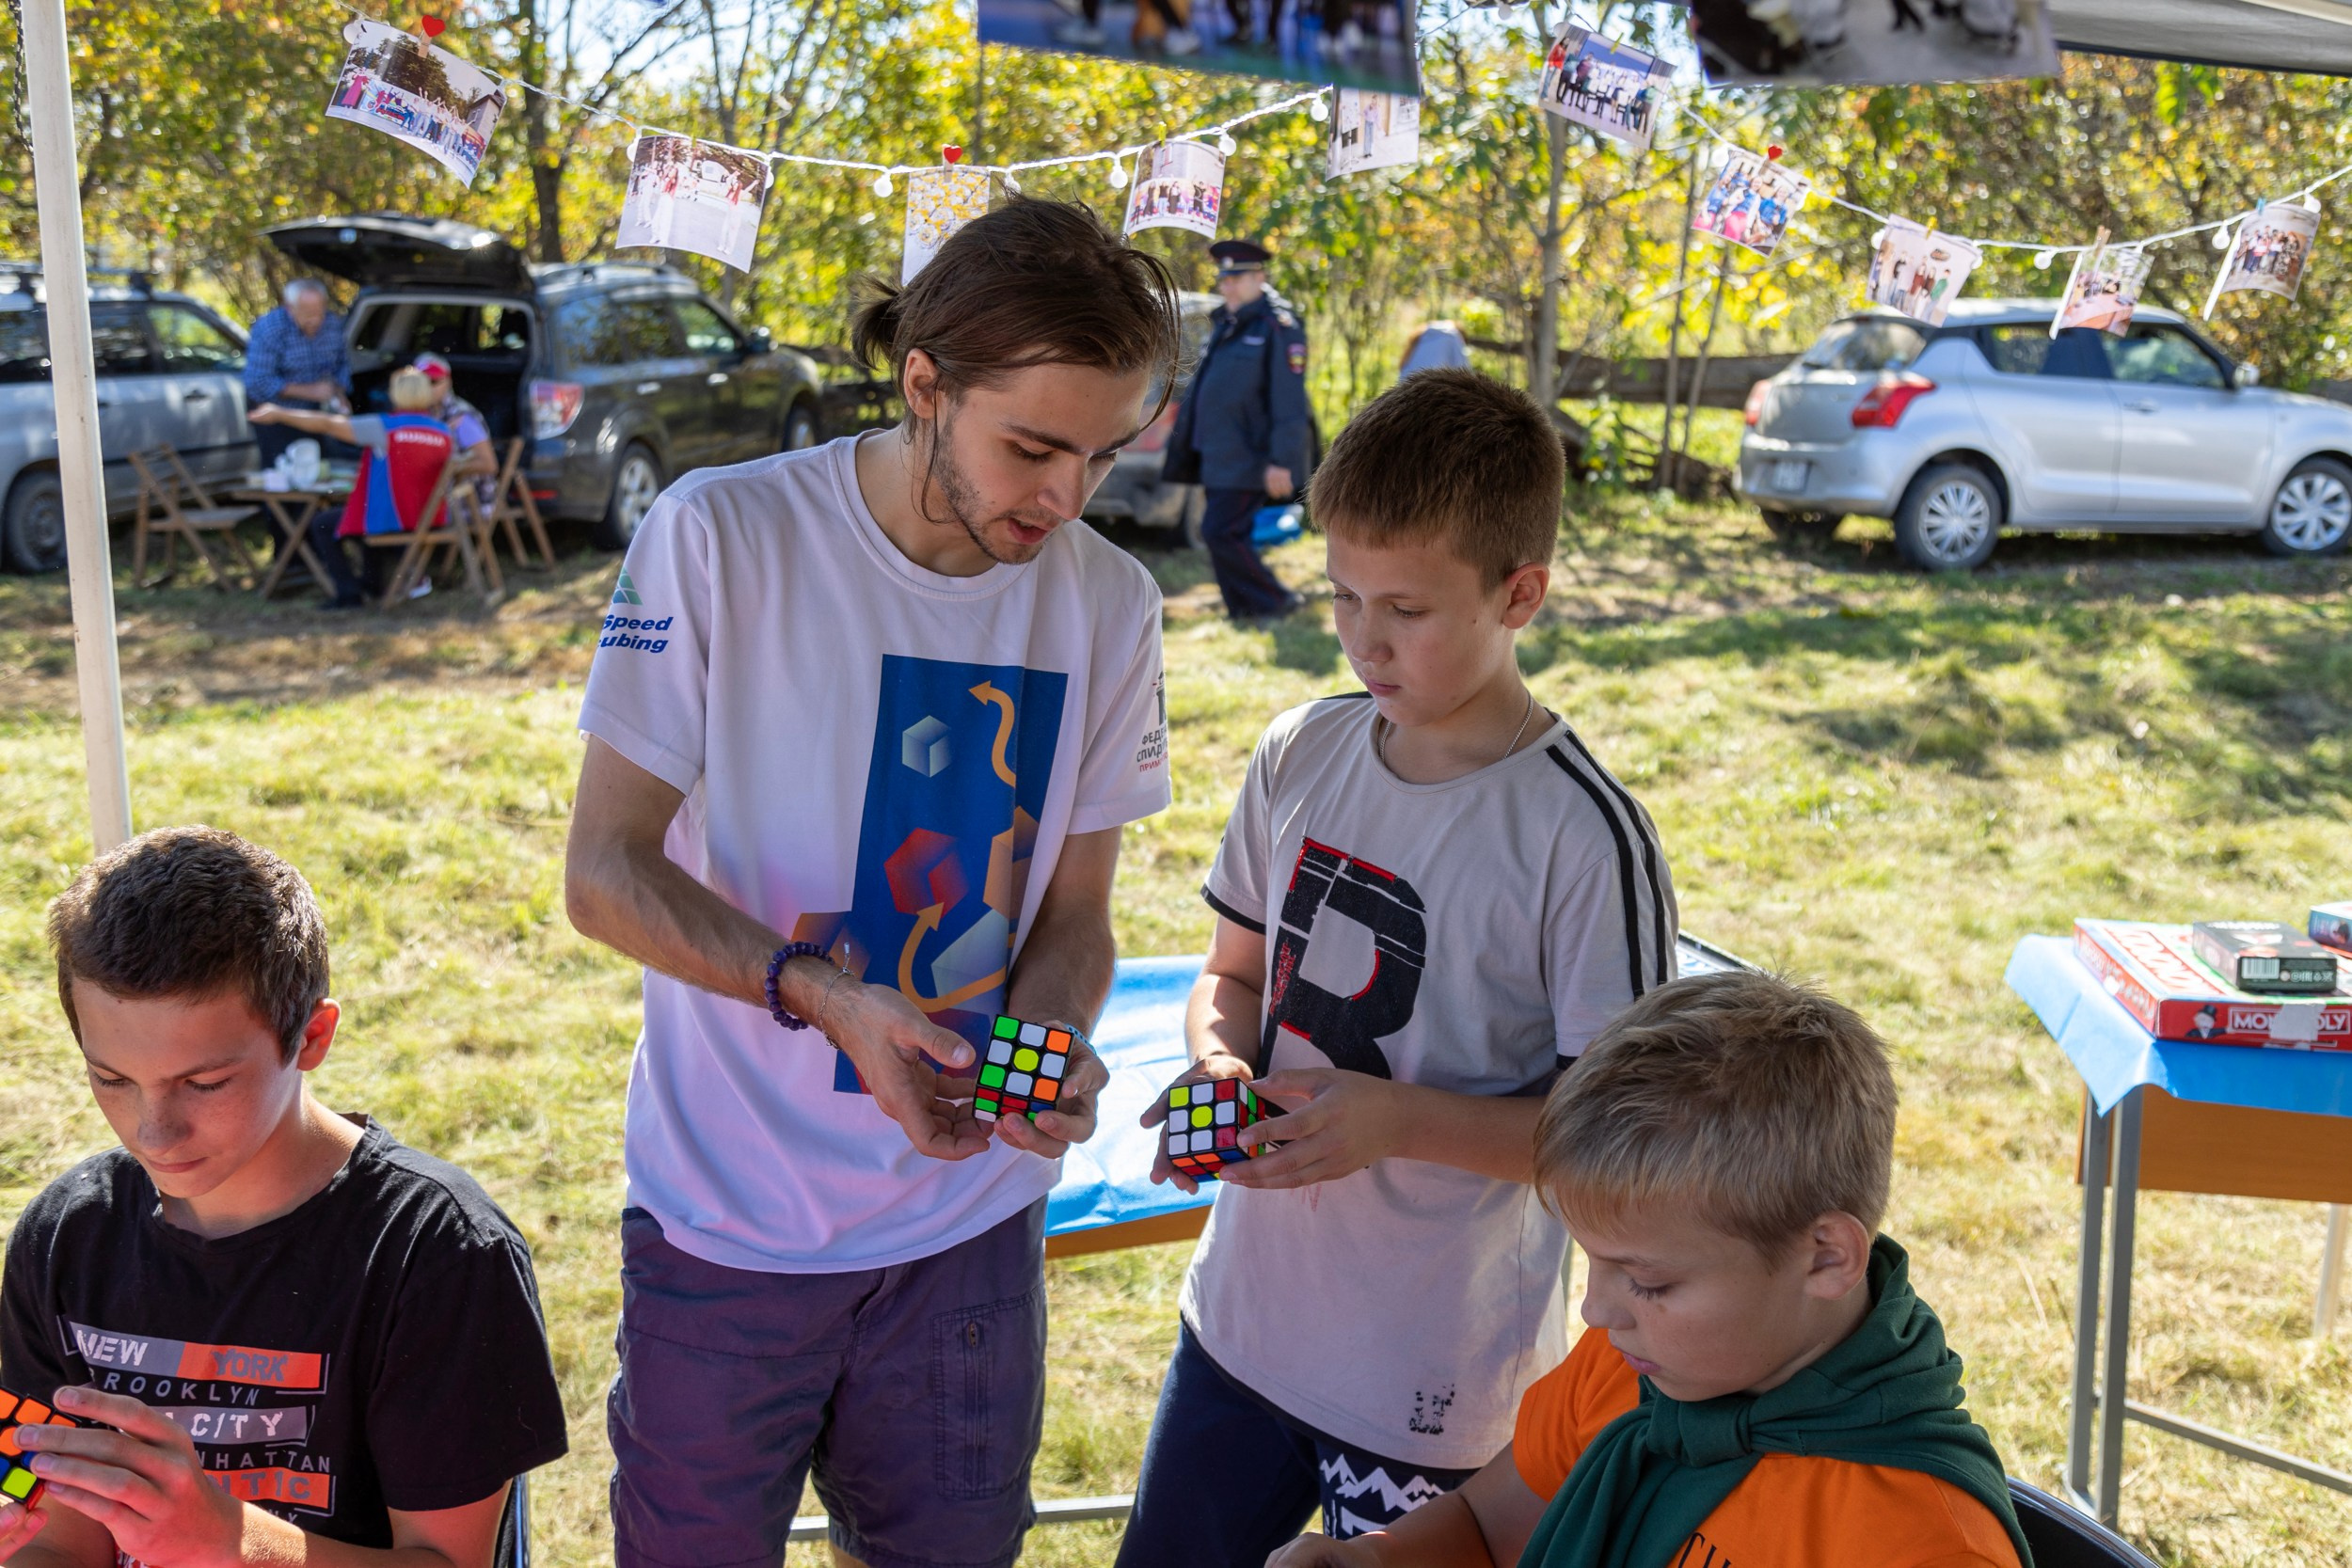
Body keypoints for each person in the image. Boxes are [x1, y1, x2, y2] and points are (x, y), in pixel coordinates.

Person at [561, 198, 1183, 1568]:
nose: (1064, 498)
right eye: (1030, 446)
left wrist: (1045, 1044)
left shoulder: (1109, 603)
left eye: (1101, 453)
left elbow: (1074, 920)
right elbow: (602, 873)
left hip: (963, 1239)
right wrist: (823, 996)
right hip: (729, 1220)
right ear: (922, 383)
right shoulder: (721, 533)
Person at [1115, 369, 1677, 1565]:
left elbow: (1615, 1146)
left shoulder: (1581, 835)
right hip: (1243, 1327)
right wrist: (1220, 1068)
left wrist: (1394, 1121)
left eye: (1407, 611)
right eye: (1342, 596)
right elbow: (1228, 977)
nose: (1365, 638)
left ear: (1519, 593)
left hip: (1437, 1369)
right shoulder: (1301, 747)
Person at [1265, 969, 2033, 1568]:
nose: (1597, 1310)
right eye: (1590, 1260)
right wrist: (1372, 1557)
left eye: (1651, 1282)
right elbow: (1486, 1527)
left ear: (1826, 1255)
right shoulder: (1637, 1368)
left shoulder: (1925, 1541)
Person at [0, 826, 568, 1568]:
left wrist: (228, 1542)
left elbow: (449, 1560)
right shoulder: (63, 1240)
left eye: (204, 1083)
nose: (154, 1130)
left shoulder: (438, 1253)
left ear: (312, 1036)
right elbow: (61, 1539)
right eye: (110, 1078)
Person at [1163, 238, 1311, 622]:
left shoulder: (1278, 327)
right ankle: (1243, 608)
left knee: (1220, 532)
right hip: (1220, 453)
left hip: (1251, 456)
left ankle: (1274, 601)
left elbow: (1288, 401)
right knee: (1224, 533)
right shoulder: (1227, 323)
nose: (1227, 285)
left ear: (1259, 277)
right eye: (1224, 278)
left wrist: (1282, 461)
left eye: (1237, 278)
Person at [251, 365, 462, 609]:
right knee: (362, 516)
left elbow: (328, 424)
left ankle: (348, 593)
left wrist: (280, 414)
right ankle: (371, 584)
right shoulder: (443, 431)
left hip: (394, 517)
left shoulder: (385, 427)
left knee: (324, 523)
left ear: (396, 395)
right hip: (428, 516)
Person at [244, 279, 352, 469]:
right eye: (308, 314)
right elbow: (258, 382)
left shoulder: (332, 325)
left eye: (320, 313)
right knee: (283, 474)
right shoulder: (270, 328)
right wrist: (309, 391)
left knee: (317, 470)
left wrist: (339, 393)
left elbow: (341, 366)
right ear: (290, 307)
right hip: (274, 414)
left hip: (315, 414)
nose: (316, 320)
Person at [1396, 319, 1469, 380]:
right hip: (1431, 392)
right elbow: (1465, 374)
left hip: (1406, 392)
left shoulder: (1421, 337)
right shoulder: (1453, 336)